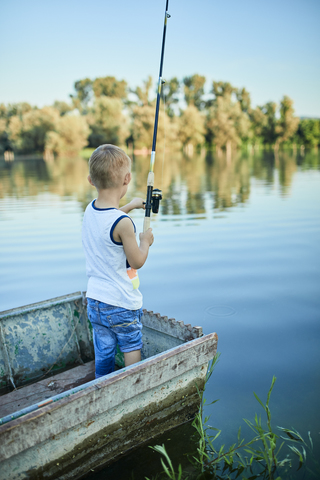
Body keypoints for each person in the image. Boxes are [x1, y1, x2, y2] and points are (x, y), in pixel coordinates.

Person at [82, 144, 154, 378]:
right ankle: (132, 385)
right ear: (127, 179)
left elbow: (108, 221)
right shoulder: (124, 224)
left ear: (91, 180)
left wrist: (131, 206)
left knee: (104, 352)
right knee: (131, 345)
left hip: (95, 301)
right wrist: (145, 241)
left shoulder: (89, 211)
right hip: (121, 304)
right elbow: (137, 261)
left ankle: (101, 385)